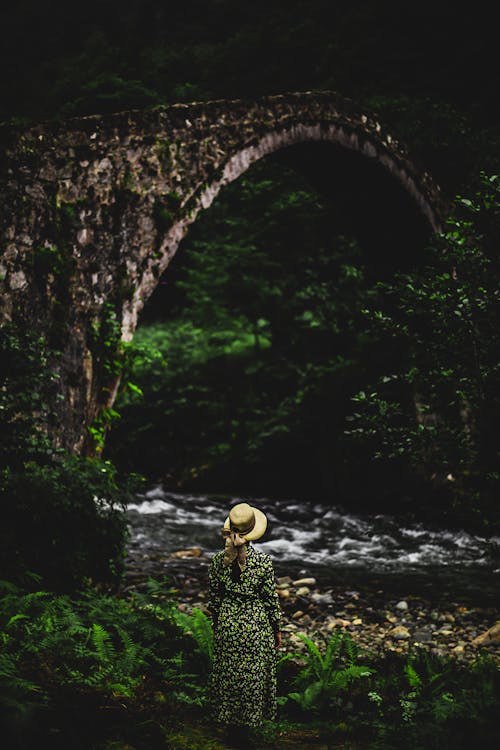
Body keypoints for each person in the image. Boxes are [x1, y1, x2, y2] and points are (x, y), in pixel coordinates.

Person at [208, 501, 282, 738]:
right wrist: (276, 628)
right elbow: (270, 599)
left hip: (229, 620)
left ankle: (229, 721)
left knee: (229, 671)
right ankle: (248, 724)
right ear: (252, 532)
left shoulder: (218, 561)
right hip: (255, 623)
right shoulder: (263, 562)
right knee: (253, 673)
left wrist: (217, 624)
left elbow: (215, 598)